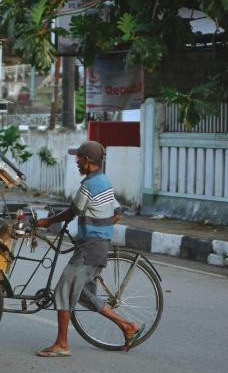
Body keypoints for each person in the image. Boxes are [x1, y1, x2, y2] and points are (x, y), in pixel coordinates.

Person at [35, 140, 145, 357]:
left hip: (90, 249)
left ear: (87, 160)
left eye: (79, 158)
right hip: (98, 246)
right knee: (84, 295)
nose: (76, 162)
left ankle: (62, 344)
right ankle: (127, 326)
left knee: (63, 290)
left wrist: (47, 222)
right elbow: (116, 212)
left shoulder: (89, 185)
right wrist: (101, 230)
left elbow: (72, 212)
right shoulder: (104, 181)